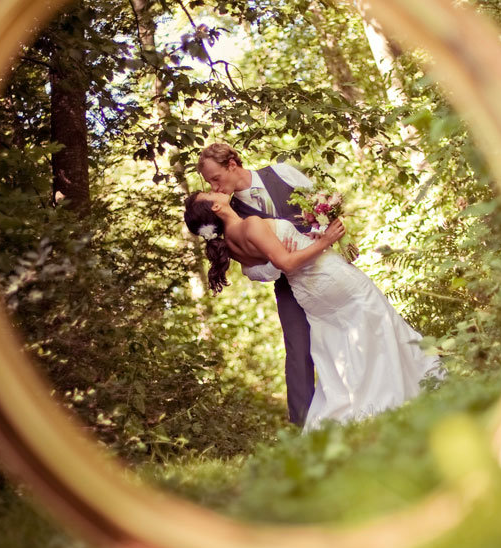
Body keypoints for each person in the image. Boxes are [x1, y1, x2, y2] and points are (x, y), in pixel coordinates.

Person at [183, 190, 444, 432]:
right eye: (211, 192)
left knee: (343, 347)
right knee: (379, 324)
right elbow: (284, 262)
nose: (216, 189)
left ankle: (367, 407)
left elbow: (275, 262)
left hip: (309, 294)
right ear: (216, 206)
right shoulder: (249, 224)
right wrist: (326, 241)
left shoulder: (230, 243)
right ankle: (404, 393)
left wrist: (308, 240)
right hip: (326, 276)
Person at [197, 143, 316, 426]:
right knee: (298, 352)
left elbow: (323, 207)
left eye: (216, 178)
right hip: (289, 286)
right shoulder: (228, 214)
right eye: (209, 183)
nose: (214, 187)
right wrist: (280, 260)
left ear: (233, 165)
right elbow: (252, 270)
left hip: (327, 268)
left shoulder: (282, 173)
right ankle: (304, 427)